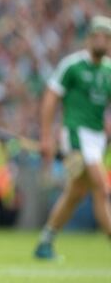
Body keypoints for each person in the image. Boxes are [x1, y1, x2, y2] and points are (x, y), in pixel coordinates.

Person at [34, 14, 111, 260]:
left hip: (98, 139)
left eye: (106, 37)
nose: (101, 41)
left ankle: (45, 241)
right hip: (75, 134)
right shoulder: (72, 65)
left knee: (76, 192)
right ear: (89, 38)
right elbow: (51, 98)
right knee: (101, 186)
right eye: (97, 36)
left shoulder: (109, 70)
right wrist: (46, 136)